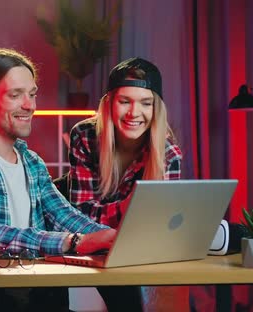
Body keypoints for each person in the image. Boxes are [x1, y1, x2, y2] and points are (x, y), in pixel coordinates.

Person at [0, 47, 116, 311]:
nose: (30, 105)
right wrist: (73, 242)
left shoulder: (33, 162)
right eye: (16, 95)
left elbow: (66, 216)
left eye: (32, 94)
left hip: (37, 296)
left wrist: (116, 239)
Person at [59, 57, 187, 311]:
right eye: (124, 101)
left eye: (145, 103)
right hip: (75, 232)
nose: (134, 113)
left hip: (125, 243)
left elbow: (158, 228)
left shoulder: (168, 153)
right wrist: (130, 208)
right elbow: (79, 214)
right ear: (110, 104)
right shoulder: (85, 135)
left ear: (155, 109)